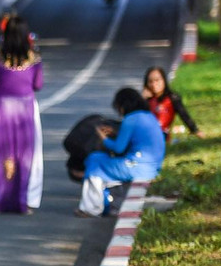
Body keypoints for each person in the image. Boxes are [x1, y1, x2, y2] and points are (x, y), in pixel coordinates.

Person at [0, 15, 44, 214]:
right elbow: (38, 85)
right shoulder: (34, 58)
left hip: (2, 109)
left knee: (0, 153)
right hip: (26, 109)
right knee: (26, 155)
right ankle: (22, 201)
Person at [77, 88, 166, 217]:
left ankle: (92, 208)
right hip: (152, 167)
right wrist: (115, 133)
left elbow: (118, 148)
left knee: (94, 160)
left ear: (122, 105)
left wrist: (103, 137)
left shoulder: (130, 119)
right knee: (99, 159)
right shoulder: (148, 115)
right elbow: (137, 139)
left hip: (136, 167)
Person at [141, 66, 201, 142]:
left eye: (157, 80)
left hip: (162, 136)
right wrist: (142, 101)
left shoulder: (172, 98)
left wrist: (196, 131)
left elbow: (184, 116)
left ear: (164, 81)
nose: (154, 84)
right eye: (150, 81)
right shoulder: (146, 100)